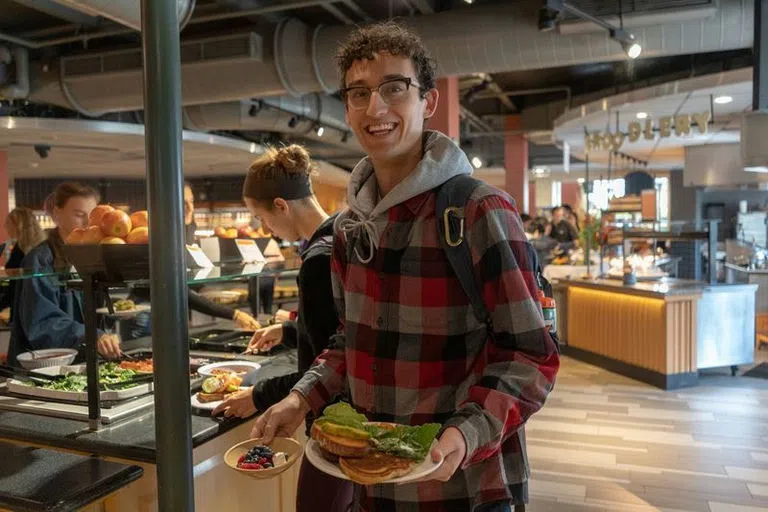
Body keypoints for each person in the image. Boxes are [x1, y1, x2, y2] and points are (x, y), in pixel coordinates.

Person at [251, 22, 560, 512]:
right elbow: (347, 344)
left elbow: (531, 355)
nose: (375, 108)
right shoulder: (350, 228)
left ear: (428, 101)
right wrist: (300, 398)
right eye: (358, 93)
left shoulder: (478, 212)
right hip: (376, 487)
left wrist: (467, 432)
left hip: (465, 487)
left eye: (394, 88)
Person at [211, 144, 351, 512]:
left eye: (263, 219)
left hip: (334, 424)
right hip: (352, 418)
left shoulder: (317, 260)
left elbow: (322, 370)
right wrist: (289, 331)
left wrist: (258, 396)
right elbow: (341, 326)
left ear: (281, 206)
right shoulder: (340, 231)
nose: (266, 229)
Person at [9, 183, 121, 364]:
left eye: (92, 215)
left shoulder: (94, 257)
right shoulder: (40, 260)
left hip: (86, 364)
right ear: (57, 213)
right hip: (45, 369)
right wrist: (91, 336)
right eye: (79, 214)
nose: (87, 222)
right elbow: (42, 323)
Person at [130, 183, 260, 331]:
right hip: (147, 309)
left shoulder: (189, 227)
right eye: (183, 202)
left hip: (174, 308)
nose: (190, 208)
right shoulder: (159, 233)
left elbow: (186, 276)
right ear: (165, 204)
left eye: (191, 201)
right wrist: (233, 314)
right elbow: (177, 287)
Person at [0, 208, 46, 324]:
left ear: (18, 225)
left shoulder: (21, 250)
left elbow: (15, 288)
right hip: (35, 309)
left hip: (23, 310)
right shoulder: (40, 247)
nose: (5, 227)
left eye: (8, 223)